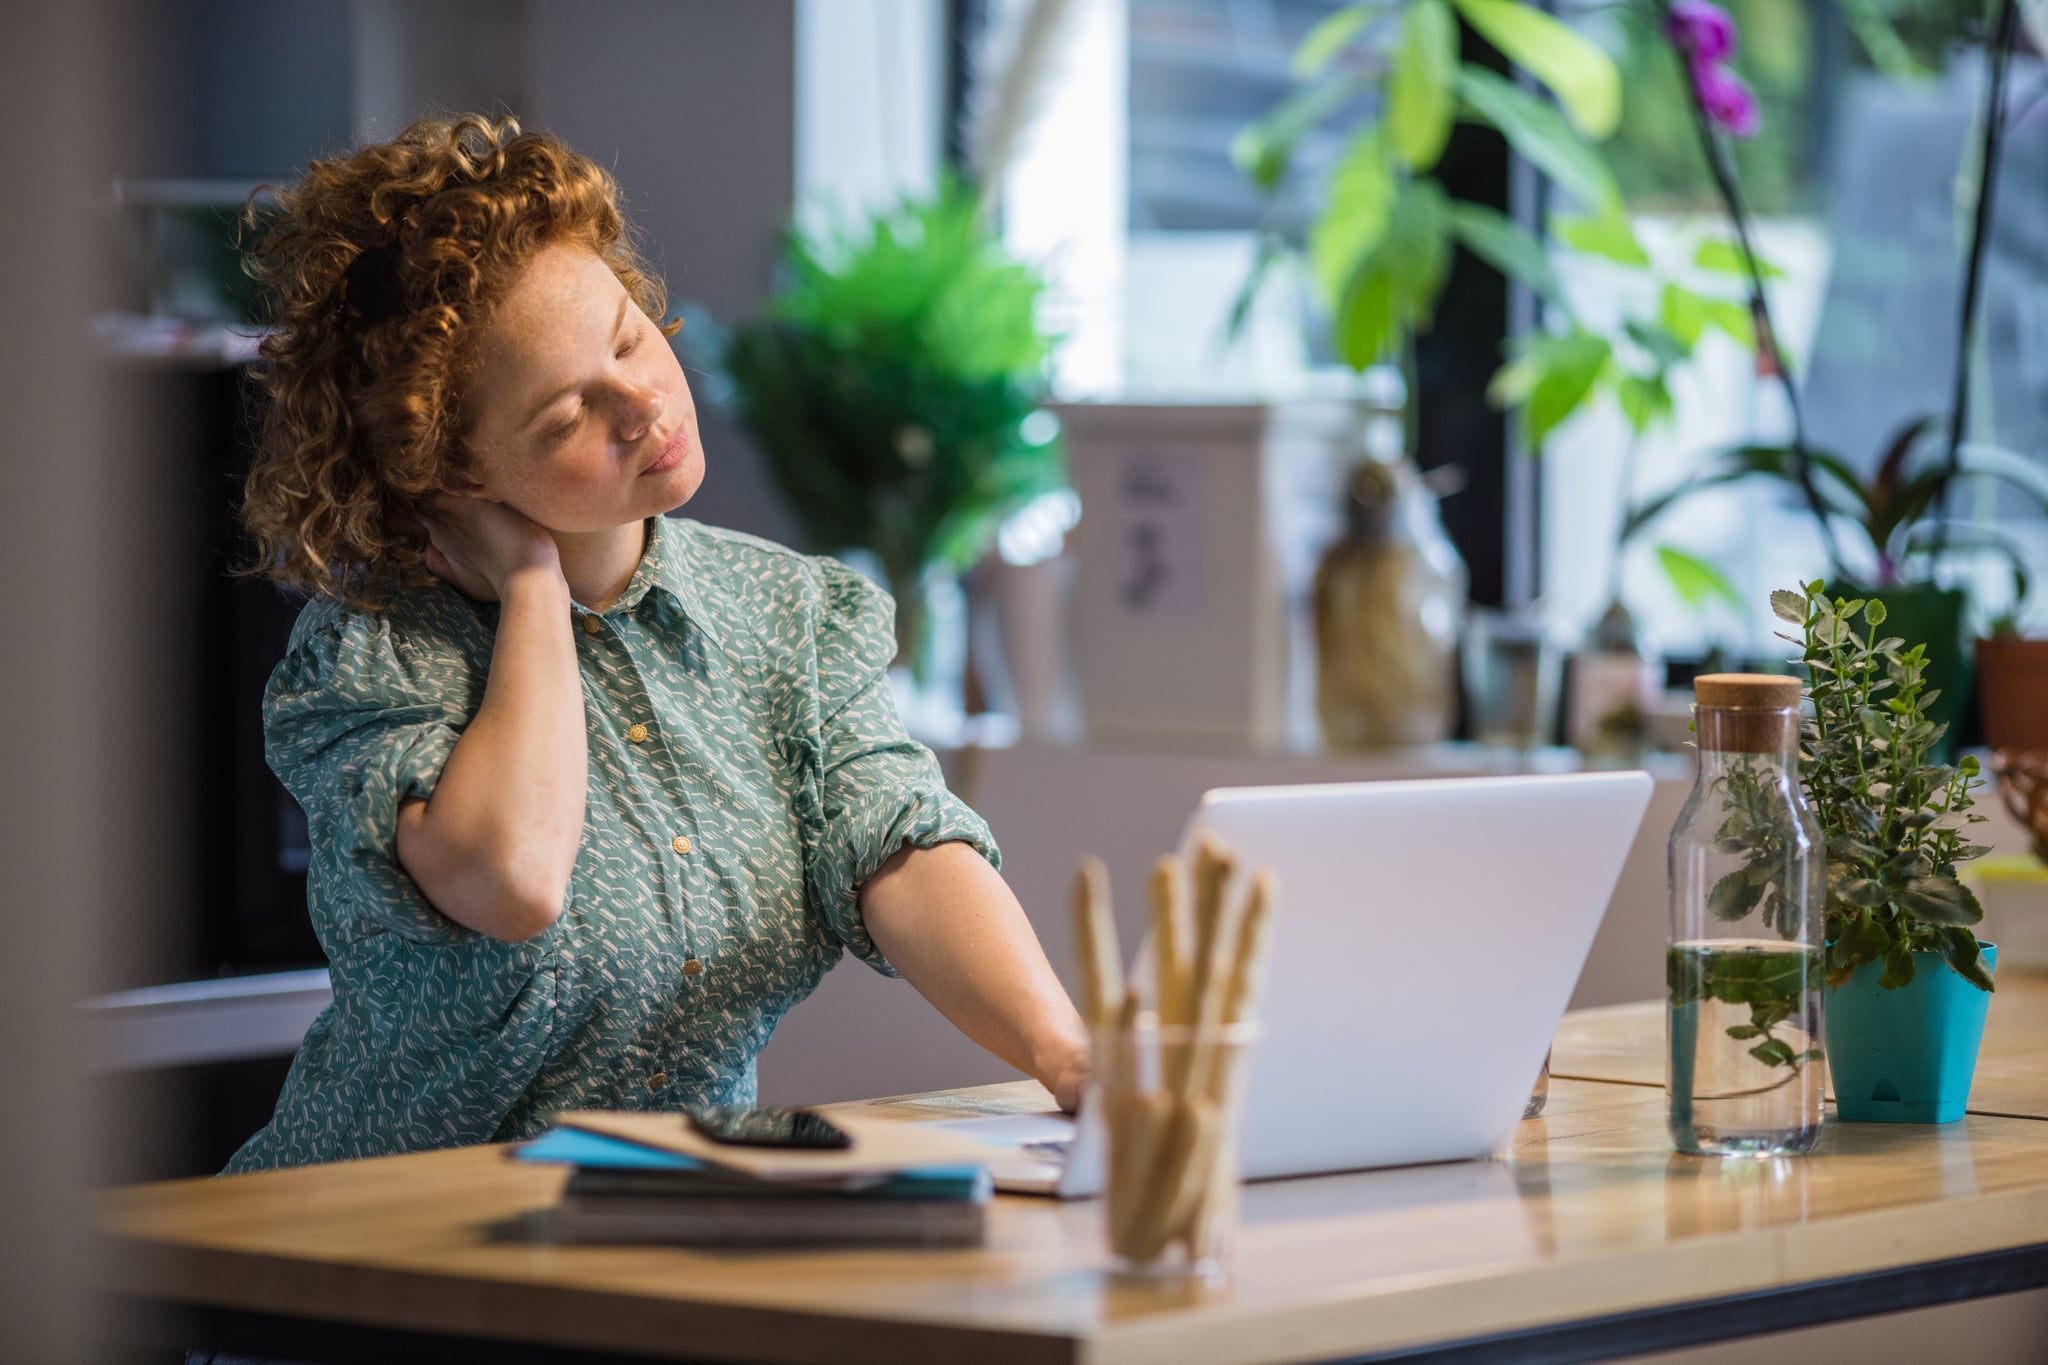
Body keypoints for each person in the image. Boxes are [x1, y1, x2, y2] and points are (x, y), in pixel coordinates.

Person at [222, 113, 1087, 1173]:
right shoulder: (377, 653)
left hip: (656, 1232)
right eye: (566, 415)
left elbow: (898, 845)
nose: (641, 404)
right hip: (376, 1257)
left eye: (628, 336)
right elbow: (513, 879)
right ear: (456, 477)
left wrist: (1065, 1053)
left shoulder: (791, 614)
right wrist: (534, 585)